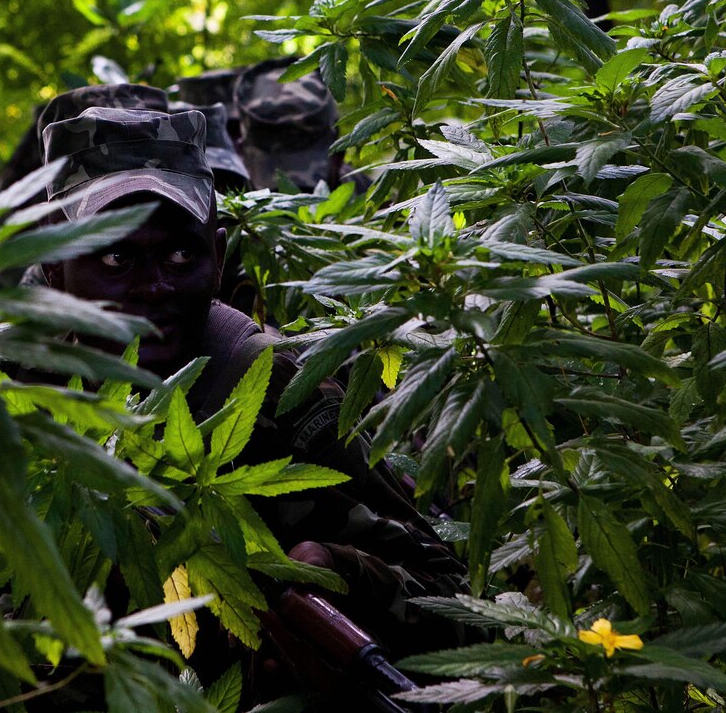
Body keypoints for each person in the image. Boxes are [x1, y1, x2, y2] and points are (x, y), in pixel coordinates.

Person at [38, 99, 464, 701]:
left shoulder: (274, 386)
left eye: (182, 254)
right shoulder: (20, 398)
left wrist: (338, 576)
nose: (155, 285)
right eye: (115, 257)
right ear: (55, 270)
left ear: (217, 256)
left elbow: (450, 596)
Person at [235, 57, 371, 194]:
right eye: (274, 194)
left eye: (310, 192)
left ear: (338, 155)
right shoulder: (220, 199)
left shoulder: (369, 196)